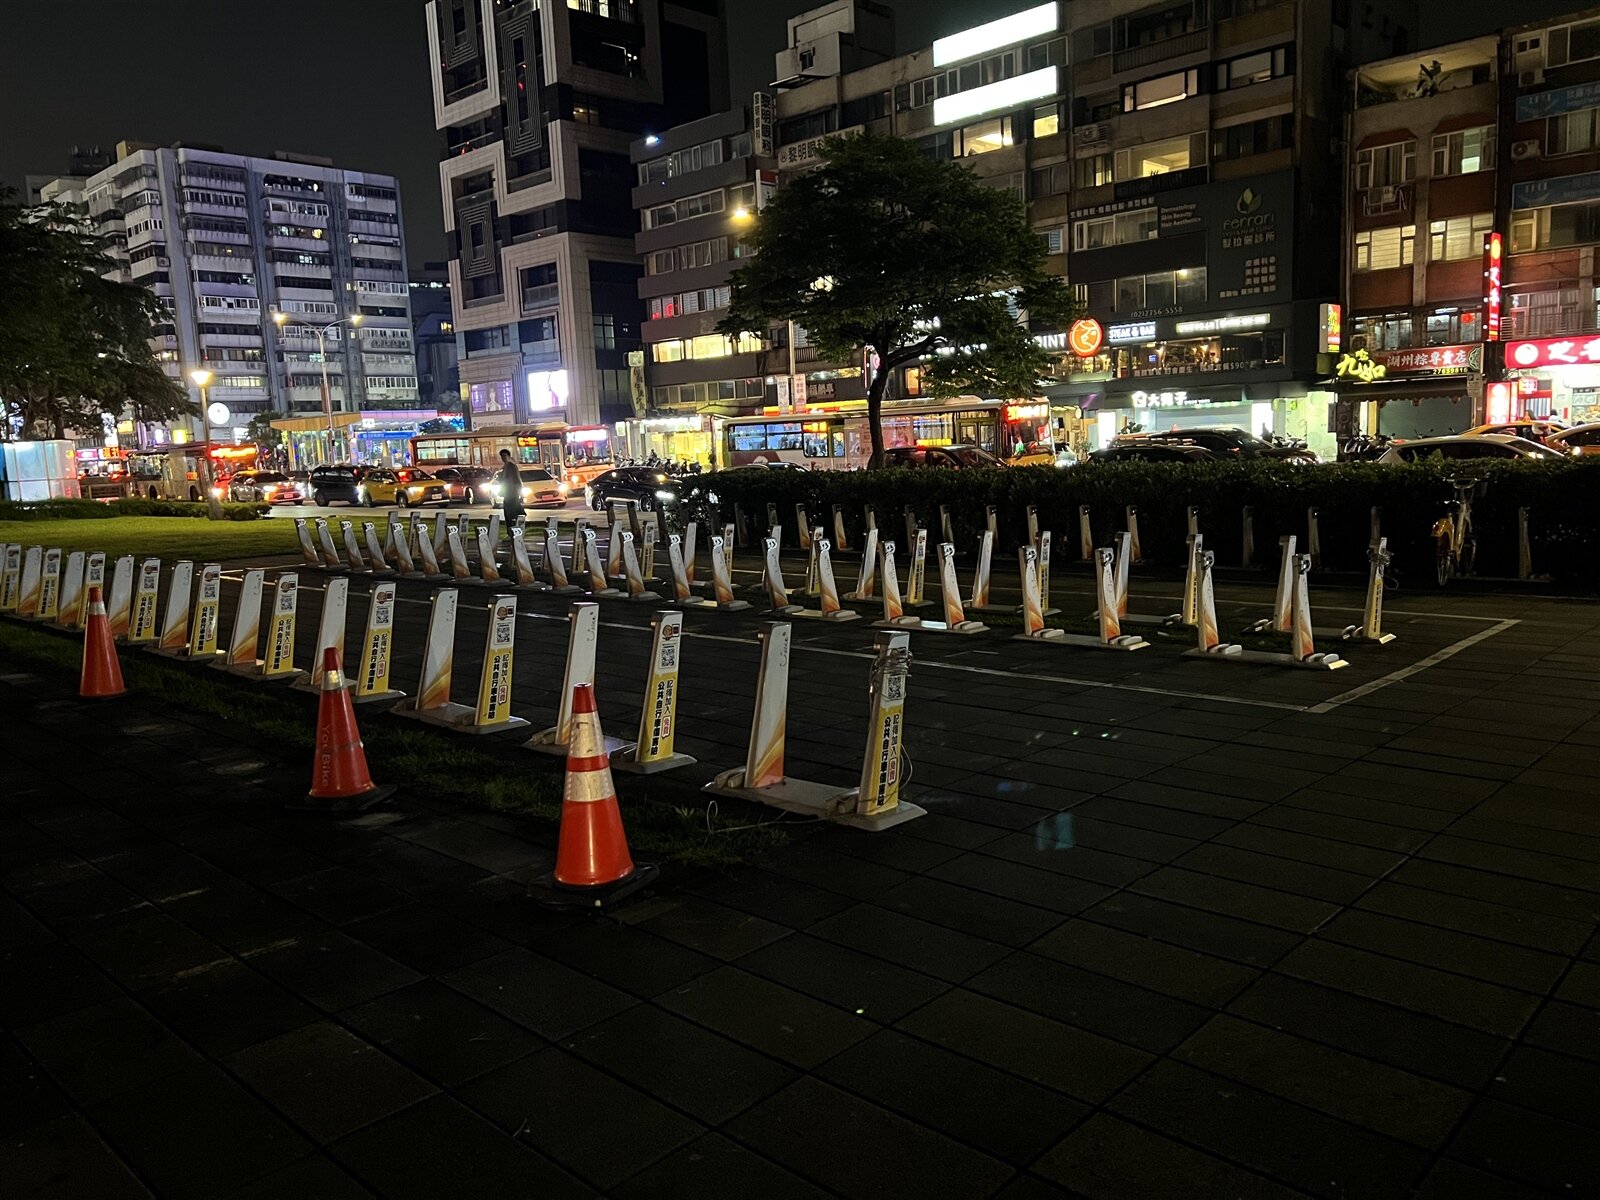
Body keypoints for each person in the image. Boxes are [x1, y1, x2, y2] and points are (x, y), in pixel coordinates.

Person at [496, 448, 524, 535]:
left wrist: (521, 494)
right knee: (508, 514)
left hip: (513, 494)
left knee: (511, 514)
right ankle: (511, 532)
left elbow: (518, 481)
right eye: (502, 456)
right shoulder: (505, 467)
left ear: (509, 456)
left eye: (504, 456)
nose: (503, 458)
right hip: (507, 494)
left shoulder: (512, 466)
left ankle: (514, 532)